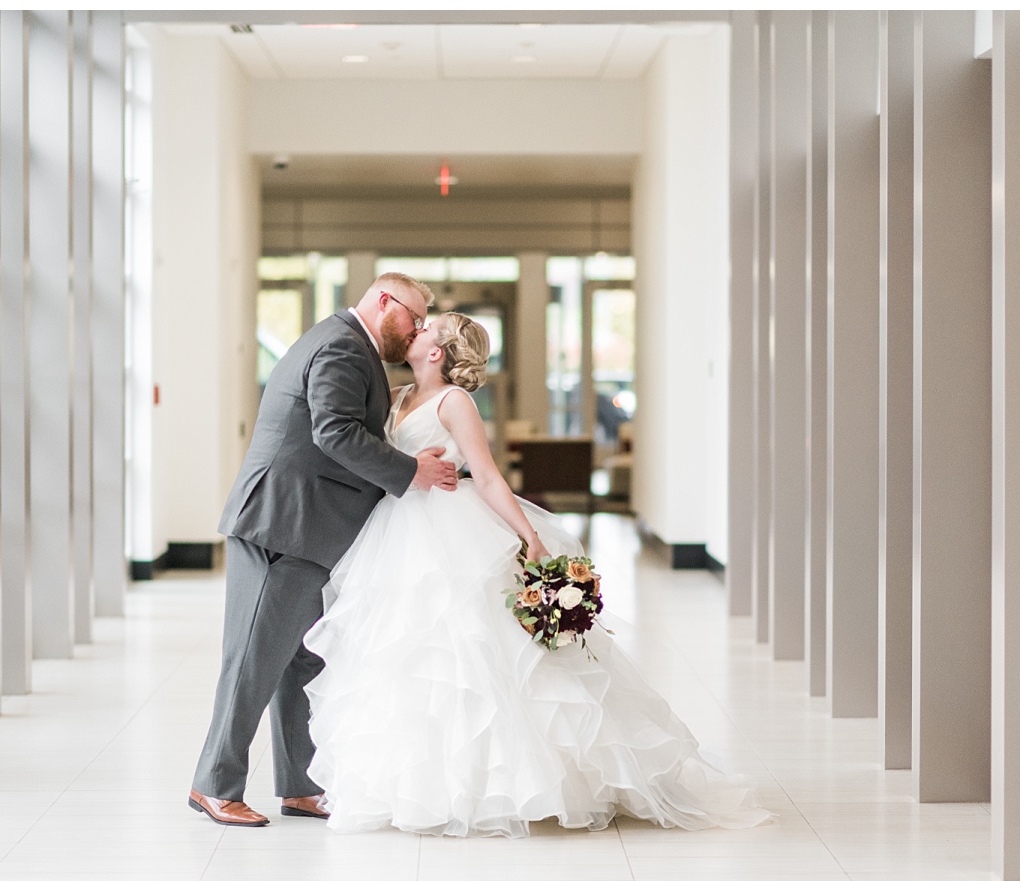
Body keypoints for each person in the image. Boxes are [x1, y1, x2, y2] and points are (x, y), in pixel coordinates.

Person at [303, 312, 774, 838]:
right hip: (397, 527)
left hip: (446, 525)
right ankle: (410, 784)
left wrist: (527, 534)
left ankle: (495, 785)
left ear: (437, 351)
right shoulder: (396, 395)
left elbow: (484, 475)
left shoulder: (453, 403)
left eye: (425, 327)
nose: (414, 330)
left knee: (469, 648)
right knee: (403, 650)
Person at [189, 273, 457, 827]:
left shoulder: (348, 343)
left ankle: (301, 786)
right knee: (253, 659)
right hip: (282, 526)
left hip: (306, 529)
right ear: (385, 302)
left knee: (301, 660)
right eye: (415, 316)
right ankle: (214, 785)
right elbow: (332, 431)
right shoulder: (342, 346)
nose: (416, 331)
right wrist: (411, 470)